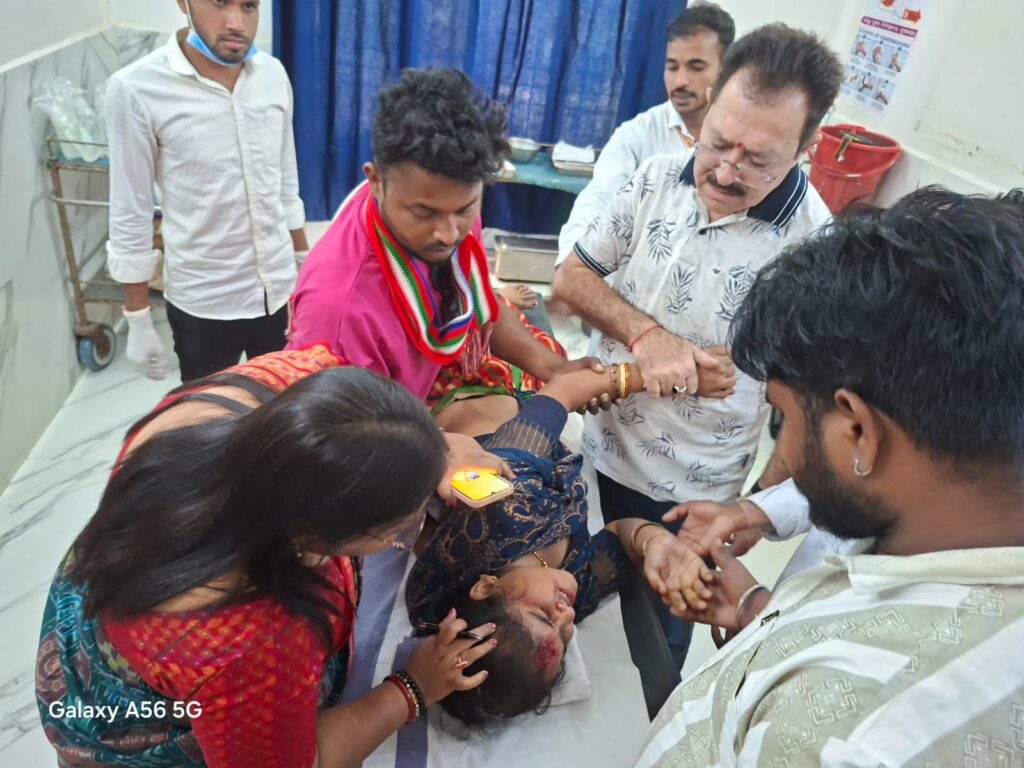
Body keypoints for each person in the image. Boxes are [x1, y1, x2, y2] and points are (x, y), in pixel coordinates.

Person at [636, 187, 1024, 766]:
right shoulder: (950, 515)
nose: (786, 448)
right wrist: (758, 611)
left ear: (858, 431)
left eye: (784, 417)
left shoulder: (845, 737)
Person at [35, 351, 496, 767]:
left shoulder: (270, 386)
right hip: (130, 715)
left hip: (103, 593)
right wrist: (414, 687)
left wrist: (427, 448)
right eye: (399, 528)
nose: (408, 530)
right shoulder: (254, 644)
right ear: (326, 535)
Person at [551, 24, 842, 667]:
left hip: (693, 495)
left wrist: (751, 508)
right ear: (709, 105)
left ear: (807, 147)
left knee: (648, 653)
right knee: (565, 618)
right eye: (718, 142)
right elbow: (571, 280)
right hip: (594, 451)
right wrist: (647, 336)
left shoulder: (816, 250)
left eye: (758, 160)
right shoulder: (655, 178)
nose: (727, 172)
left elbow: (813, 408)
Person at [287, 68, 602, 481]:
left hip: (419, 396)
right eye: (424, 213)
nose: (449, 233)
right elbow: (333, 439)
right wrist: (435, 447)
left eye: (465, 210)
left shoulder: (447, 202)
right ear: (376, 181)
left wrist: (555, 369)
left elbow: (478, 301)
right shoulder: (338, 309)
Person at [407, 363, 708, 724]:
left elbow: (562, 391)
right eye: (565, 641)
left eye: (542, 615)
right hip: (502, 426)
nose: (566, 617)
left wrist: (672, 375)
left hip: (470, 384)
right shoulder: (571, 597)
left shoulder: (504, 505)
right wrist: (653, 540)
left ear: (487, 587)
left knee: (561, 363)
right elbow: (621, 538)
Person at [106, 0, 308, 383]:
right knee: (214, 415)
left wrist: (302, 260)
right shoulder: (138, 89)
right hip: (205, 301)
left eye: (248, 6)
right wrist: (137, 317)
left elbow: (284, 177)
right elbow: (130, 209)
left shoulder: (272, 75)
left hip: (279, 289)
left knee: (282, 406)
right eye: (219, 2)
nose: (236, 23)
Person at [554, 2, 736, 270]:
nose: (680, 81)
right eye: (672, 67)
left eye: (696, 67)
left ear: (726, 70)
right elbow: (599, 199)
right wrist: (570, 266)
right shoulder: (637, 135)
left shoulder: (742, 141)